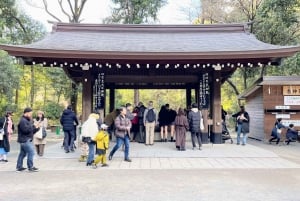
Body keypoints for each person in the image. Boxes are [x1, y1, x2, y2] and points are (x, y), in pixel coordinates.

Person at [16, 107, 40, 172]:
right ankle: (30, 167)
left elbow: (31, 131)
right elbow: (25, 130)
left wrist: (37, 128)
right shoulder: (23, 121)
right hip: (25, 140)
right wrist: (33, 127)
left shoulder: (27, 120)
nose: (31, 115)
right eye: (30, 113)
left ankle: (19, 167)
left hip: (26, 139)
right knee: (31, 152)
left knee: (22, 154)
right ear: (26, 113)